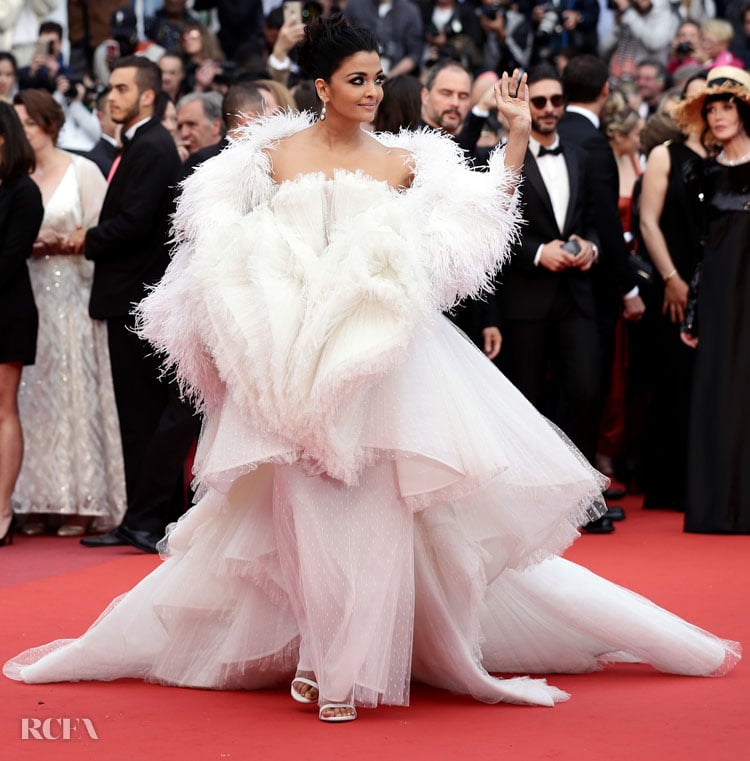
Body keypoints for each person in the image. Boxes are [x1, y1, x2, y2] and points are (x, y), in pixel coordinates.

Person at [3, 17, 739, 724]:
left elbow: (476, 227)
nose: (372, 92)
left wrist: (515, 135)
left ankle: (342, 659)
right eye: (357, 79)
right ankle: (320, 646)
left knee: (371, 514)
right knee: (298, 510)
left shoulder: (404, 159)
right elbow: (213, 251)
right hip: (285, 365)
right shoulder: (263, 160)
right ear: (320, 86)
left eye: (378, 79)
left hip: (383, 362)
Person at [64, 56, 193, 554]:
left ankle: (147, 520)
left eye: (120, 88)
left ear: (146, 95)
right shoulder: (144, 143)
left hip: (137, 297)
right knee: (138, 416)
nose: (109, 96)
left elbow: (137, 222)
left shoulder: (154, 145)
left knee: (141, 415)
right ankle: (147, 517)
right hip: (134, 295)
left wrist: (86, 240)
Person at [10, 89, 127, 538]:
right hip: (27, 291)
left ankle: (82, 499)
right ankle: (33, 499)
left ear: (50, 124)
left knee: (74, 393)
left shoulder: (83, 169)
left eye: (30, 123)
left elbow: (102, 231)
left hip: (74, 294)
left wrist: (69, 243)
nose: (23, 132)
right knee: (28, 399)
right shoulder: (13, 177)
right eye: (16, 124)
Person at [674, 66, 750, 533]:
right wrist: (695, 312)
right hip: (721, 295)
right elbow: (700, 248)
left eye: (727, 107)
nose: (719, 116)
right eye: (712, 109)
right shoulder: (698, 172)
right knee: (720, 395)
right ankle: (717, 508)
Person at [637, 74, 707, 512]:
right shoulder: (665, 154)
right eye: (696, 95)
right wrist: (670, 277)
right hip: (674, 285)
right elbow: (647, 222)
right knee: (674, 381)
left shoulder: (727, 156)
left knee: (712, 384)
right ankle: (669, 484)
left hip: (718, 285)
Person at [0, 101, 44, 547]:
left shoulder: (23, 192)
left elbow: (11, 258)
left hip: (6, 309)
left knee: (3, 406)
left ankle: (2, 510)